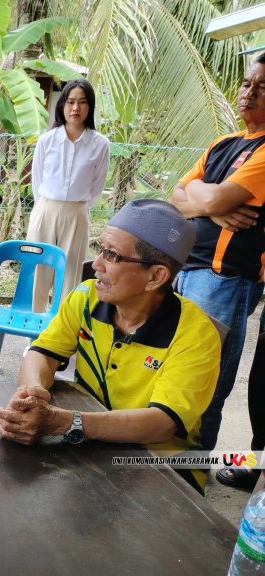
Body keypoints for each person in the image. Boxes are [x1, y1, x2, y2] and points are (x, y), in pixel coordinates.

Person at [0, 199, 220, 493]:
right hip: (92, 446)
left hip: (159, 467)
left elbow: (162, 423)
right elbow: (42, 353)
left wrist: (65, 423)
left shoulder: (195, 335)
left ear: (156, 276)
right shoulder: (86, 297)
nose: (96, 264)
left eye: (111, 255)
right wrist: (33, 393)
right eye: (100, 249)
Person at [170, 53, 265, 461]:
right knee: (171, 369)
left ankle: (189, 478)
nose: (250, 92)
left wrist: (203, 199)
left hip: (222, 279)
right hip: (183, 269)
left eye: (262, 87)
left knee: (204, 383)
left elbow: (201, 195)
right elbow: (174, 197)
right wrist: (212, 208)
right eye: (247, 83)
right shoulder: (222, 144)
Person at [28, 78, 110, 312]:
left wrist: (76, 207)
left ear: (90, 106)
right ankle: (34, 328)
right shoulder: (47, 141)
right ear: (62, 104)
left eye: (82, 102)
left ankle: (61, 328)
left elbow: (97, 186)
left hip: (77, 213)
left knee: (70, 274)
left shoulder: (100, 144)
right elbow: (37, 181)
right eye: (71, 101)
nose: (76, 108)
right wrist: (48, 207)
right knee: (38, 270)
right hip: (45, 210)